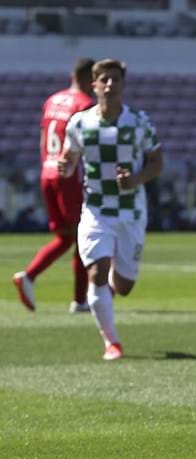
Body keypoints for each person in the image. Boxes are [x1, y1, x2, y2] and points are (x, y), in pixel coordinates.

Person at [58, 59, 163, 361]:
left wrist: (135, 179)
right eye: (104, 79)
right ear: (94, 85)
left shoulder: (139, 122)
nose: (109, 85)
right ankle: (112, 342)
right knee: (96, 271)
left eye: (115, 79)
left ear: (122, 84)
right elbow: (69, 163)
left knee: (125, 286)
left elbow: (157, 163)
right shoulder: (79, 123)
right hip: (96, 210)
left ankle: (107, 293)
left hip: (131, 211)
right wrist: (65, 168)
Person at [13, 58, 95, 313]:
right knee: (82, 236)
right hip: (68, 174)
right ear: (87, 78)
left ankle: (32, 277)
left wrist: (47, 168)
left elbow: (42, 138)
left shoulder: (52, 100)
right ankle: (78, 299)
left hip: (47, 171)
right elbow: (88, 147)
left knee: (65, 237)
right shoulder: (84, 104)